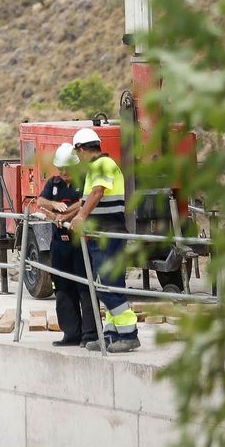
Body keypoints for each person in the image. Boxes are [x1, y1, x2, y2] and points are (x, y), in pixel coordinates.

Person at [60, 127, 138, 352]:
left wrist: (82, 217)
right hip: (99, 235)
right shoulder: (95, 168)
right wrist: (70, 217)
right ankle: (112, 335)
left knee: (106, 285)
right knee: (107, 285)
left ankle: (129, 334)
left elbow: (97, 193)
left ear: (82, 149)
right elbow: (86, 200)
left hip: (109, 234)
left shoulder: (103, 165)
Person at [34, 142, 88, 346]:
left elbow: (84, 202)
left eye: (68, 169)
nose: (64, 173)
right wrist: (54, 205)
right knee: (63, 288)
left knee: (83, 287)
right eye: (61, 169)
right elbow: (40, 201)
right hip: (60, 244)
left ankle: (89, 333)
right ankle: (71, 333)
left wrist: (65, 215)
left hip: (79, 243)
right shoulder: (54, 183)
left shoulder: (84, 181)